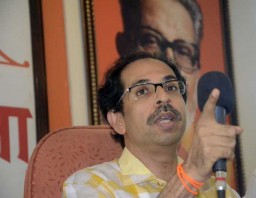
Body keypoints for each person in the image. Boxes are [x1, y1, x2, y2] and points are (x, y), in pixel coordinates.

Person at [63, 52, 243, 197]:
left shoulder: (220, 190)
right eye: (142, 91)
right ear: (118, 120)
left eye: (171, 87)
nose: (164, 97)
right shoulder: (89, 185)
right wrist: (190, 175)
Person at [115, 0, 203, 154]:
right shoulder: (93, 179)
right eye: (151, 40)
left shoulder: (210, 177)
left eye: (183, 50)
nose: (170, 60)